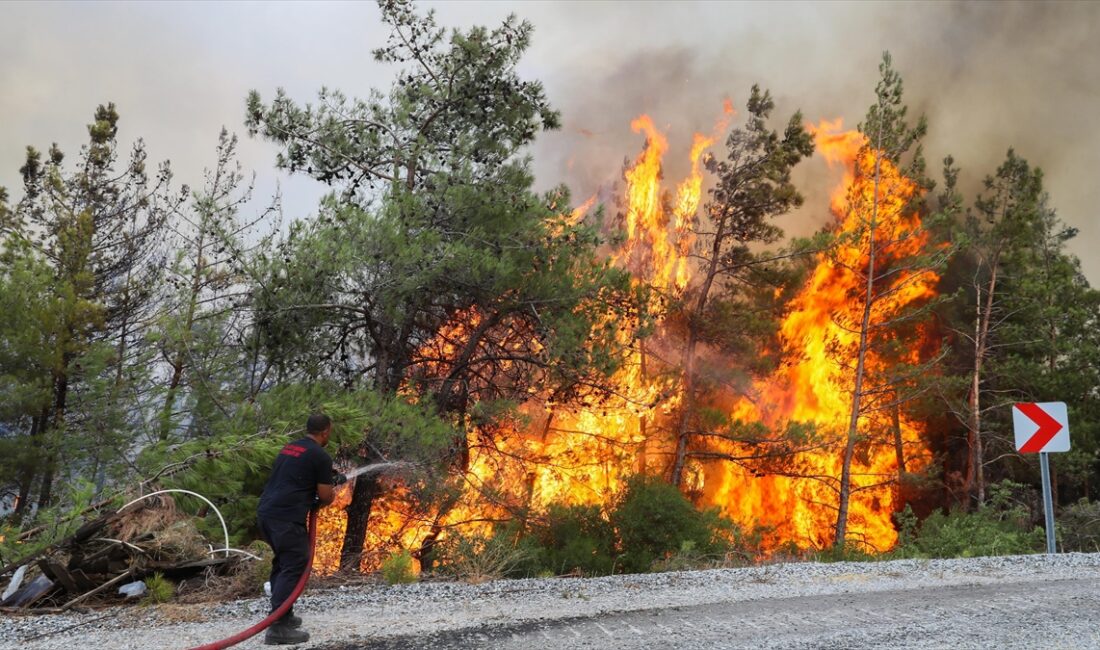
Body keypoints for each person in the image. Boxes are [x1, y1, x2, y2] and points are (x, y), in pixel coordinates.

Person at [257, 413, 345, 645]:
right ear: (325, 431)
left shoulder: (290, 448)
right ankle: (277, 627)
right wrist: (331, 491)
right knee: (296, 563)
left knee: (283, 562)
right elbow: (325, 496)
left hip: (266, 513)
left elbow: (294, 477)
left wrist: (327, 478)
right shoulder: (320, 456)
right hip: (285, 518)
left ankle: (283, 615)